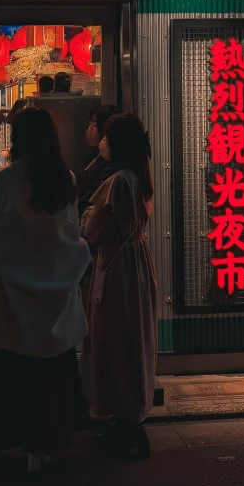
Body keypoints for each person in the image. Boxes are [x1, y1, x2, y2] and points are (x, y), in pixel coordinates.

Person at [0, 108, 91, 472]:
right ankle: (45, 440)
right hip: (55, 296)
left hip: (10, 294)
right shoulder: (64, 179)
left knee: (4, 371)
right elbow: (70, 235)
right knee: (49, 371)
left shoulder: (6, 180)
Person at [80, 113, 157, 460]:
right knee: (132, 339)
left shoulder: (118, 182)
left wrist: (86, 217)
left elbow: (92, 228)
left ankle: (122, 419)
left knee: (113, 340)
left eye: (107, 137)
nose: (102, 142)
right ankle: (128, 416)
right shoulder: (137, 177)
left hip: (115, 267)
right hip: (133, 264)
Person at [76, 105, 120, 303]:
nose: (90, 129)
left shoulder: (113, 171)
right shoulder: (93, 158)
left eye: (95, 124)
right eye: (90, 123)